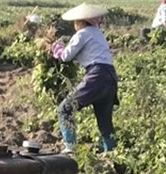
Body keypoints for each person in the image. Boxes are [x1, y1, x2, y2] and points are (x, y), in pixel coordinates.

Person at [49, 3, 119, 153]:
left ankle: (70, 147)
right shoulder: (98, 34)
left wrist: (57, 48)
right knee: (105, 121)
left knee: (65, 109)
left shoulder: (82, 34)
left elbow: (66, 57)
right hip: (110, 77)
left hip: (97, 76)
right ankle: (112, 153)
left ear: (80, 22)